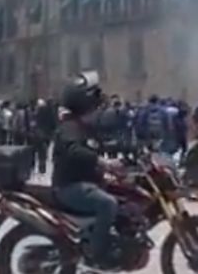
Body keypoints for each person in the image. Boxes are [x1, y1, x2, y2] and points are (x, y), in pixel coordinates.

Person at [52, 72, 121, 269]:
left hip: (85, 183)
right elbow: (73, 151)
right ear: (85, 102)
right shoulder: (70, 126)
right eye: (96, 99)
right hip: (69, 187)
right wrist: (103, 163)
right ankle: (96, 255)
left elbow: (98, 145)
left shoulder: (84, 126)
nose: (99, 104)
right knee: (107, 204)